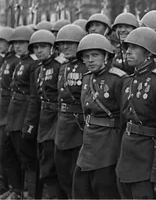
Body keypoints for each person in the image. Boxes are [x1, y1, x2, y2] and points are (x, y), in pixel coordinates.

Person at [116, 27, 156, 199]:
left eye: (134, 47)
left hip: (147, 157)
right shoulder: (127, 81)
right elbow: (122, 123)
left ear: (148, 52)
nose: (128, 52)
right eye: (127, 47)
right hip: (127, 155)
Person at [73, 33, 126, 199]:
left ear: (106, 56)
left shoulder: (119, 79)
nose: (90, 60)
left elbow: (125, 116)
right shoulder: (87, 78)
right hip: (88, 142)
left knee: (105, 188)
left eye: (95, 55)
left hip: (108, 143)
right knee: (81, 188)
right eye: (86, 56)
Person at [23, 29, 67, 198]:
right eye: (36, 48)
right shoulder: (38, 70)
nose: (39, 51)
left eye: (43, 47)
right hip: (43, 120)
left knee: (54, 163)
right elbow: (35, 100)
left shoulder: (60, 67)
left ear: (52, 48)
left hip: (58, 119)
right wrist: (29, 126)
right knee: (44, 161)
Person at [2, 26, 38, 199]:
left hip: (23, 114)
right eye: (15, 43)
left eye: (21, 43)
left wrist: (28, 122)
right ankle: (16, 189)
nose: (17, 46)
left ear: (29, 44)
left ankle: (28, 193)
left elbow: (33, 95)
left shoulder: (32, 64)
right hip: (13, 113)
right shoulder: (21, 61)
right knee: (8, 152)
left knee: (26, 157)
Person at [53, 24, 87, 198]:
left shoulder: (86, 68)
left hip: (79, 126)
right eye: (62, 43)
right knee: (62, 170)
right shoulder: (63, 67)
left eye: (70, 43)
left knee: (76, 173)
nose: (64, 47)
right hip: (63, 124)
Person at [0, 27, 16, 198]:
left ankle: (15, 188)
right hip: (3, 110)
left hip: (10, 113)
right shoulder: (5, 61)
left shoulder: (14, 61)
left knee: (8, 152)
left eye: (2, 41)